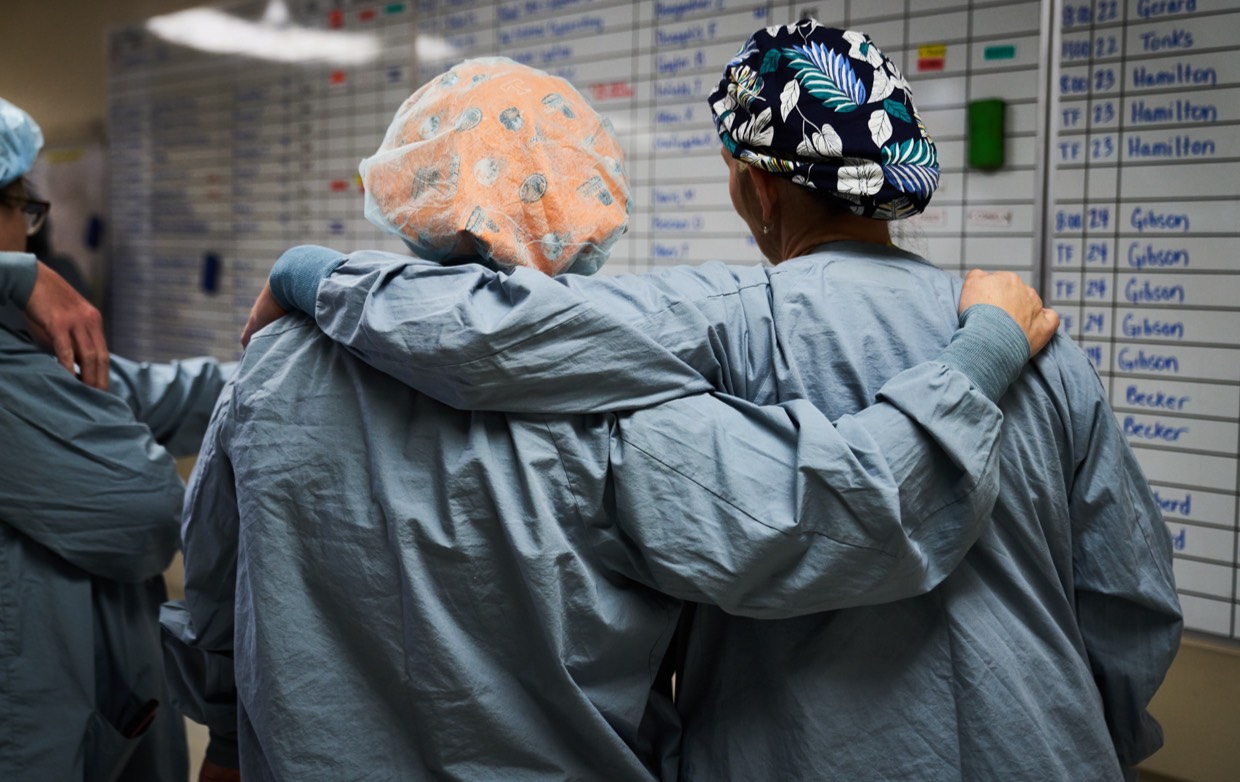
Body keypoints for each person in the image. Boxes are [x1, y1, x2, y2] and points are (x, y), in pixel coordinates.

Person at [251, 24, 1181, 781]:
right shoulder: (1039, 344)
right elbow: (1129, 606)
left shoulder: (720, 321)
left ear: (753, 186)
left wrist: (309, 275)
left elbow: (490, 328)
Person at [0, 95, 231, 782]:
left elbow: (149, 392)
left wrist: (301, 349)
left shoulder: (21, 345)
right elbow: (141, 512)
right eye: (23, 210)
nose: (30, 236)